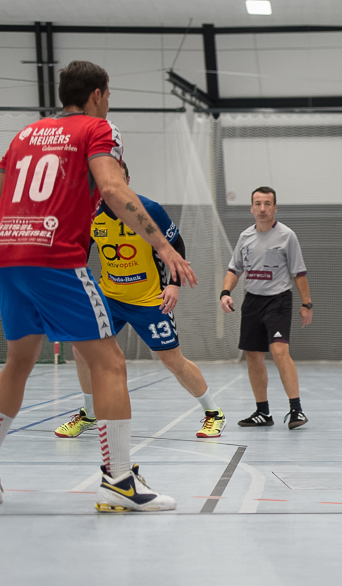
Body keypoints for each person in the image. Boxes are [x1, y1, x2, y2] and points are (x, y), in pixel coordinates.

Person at [0, 60, 196, 511]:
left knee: (18, 361)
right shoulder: (97, 129)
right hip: (55, 259)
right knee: (110, 363)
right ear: (98, 94)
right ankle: (119, 480)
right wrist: (163, 246)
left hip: (7, 257)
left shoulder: (24, 135)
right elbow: (112, 189)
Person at [53, 161, 225, 440]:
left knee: (172, 361)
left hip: (149, 300)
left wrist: (174, 285)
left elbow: (176, 245)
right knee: (81, 348)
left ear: (127, 180)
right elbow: (81, 250)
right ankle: (89, 414)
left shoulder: (148, 209)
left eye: (117, 178)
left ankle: (213, 413)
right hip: (109, 298)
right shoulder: (91, 213)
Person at [221, 187, 312, 430]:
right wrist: (225, 292)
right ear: (251, 208)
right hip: (252, 301)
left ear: (275, 208)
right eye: (258, 203)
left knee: (280, 351)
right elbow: (234, 269)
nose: (262, 208)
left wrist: (306, 304)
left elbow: (299, 273)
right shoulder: (245, 237)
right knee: (253, 356)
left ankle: (296, 409)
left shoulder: (287, 236)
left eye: (267, 203)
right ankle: (263, 412)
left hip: (278, 301)